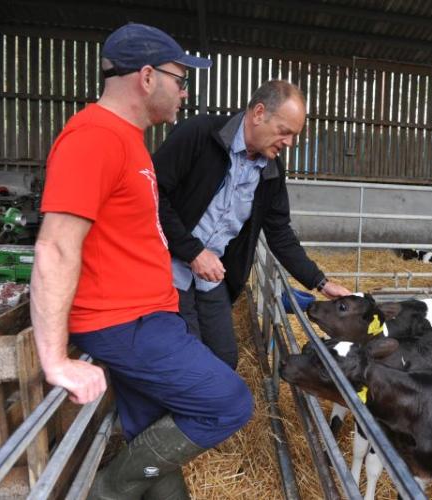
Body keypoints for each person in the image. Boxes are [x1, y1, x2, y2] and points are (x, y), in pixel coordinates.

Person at [30, 23, 253, 499]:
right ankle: (106, 492)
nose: (185, 92)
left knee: (152, 431)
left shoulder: (130, 142)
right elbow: (55, 246)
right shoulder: (94, 137)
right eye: (180, 79)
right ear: (147, 77)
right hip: (124, 322)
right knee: (229, 402)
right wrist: (55, 361)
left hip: (146, 316)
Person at [153, 80, 350, 369]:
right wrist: (193, 252)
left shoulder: (271, 171)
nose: (290, 143)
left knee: (225, 360)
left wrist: (319, 281)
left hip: (213, 277)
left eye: (295, 136)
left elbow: (279, 232)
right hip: (169, 271)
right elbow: (154, 194)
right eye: (285, 132)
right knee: (188, 362)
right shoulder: (198, 134)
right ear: (259, 113)